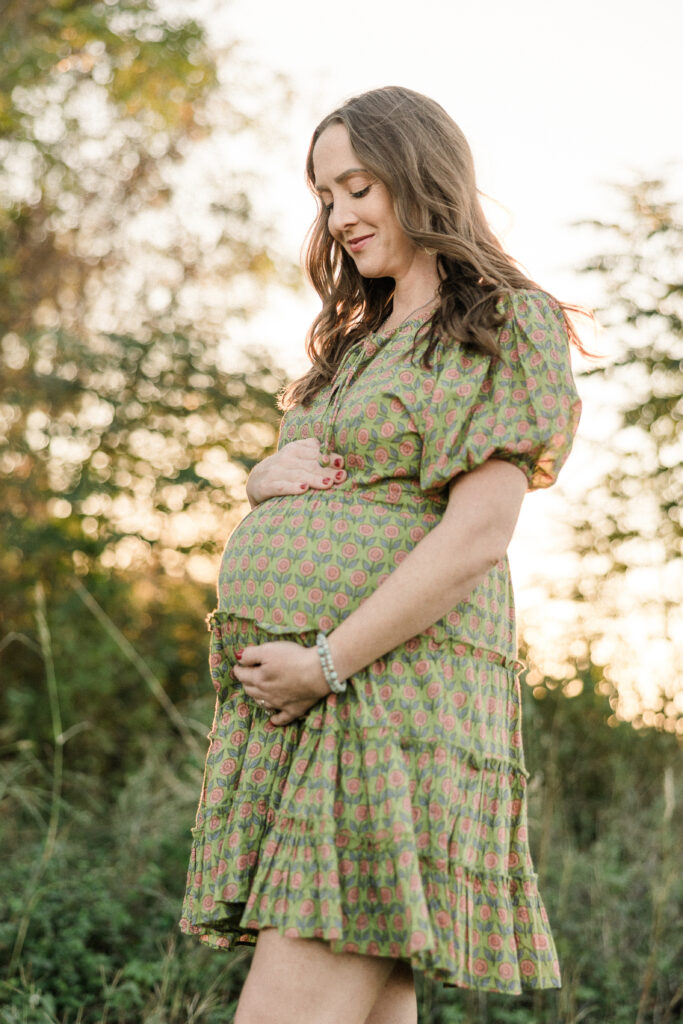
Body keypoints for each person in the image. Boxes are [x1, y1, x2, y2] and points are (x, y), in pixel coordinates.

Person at [180, 85, 583, 1024]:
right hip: (318, 713)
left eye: (358, 187)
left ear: (420, 174)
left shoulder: (503, 322)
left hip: (385, 703)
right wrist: (257, 482)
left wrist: (325, 663)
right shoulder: (357, 343)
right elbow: (333, 483)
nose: (340, 214)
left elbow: (479, 534)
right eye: (325, 195)